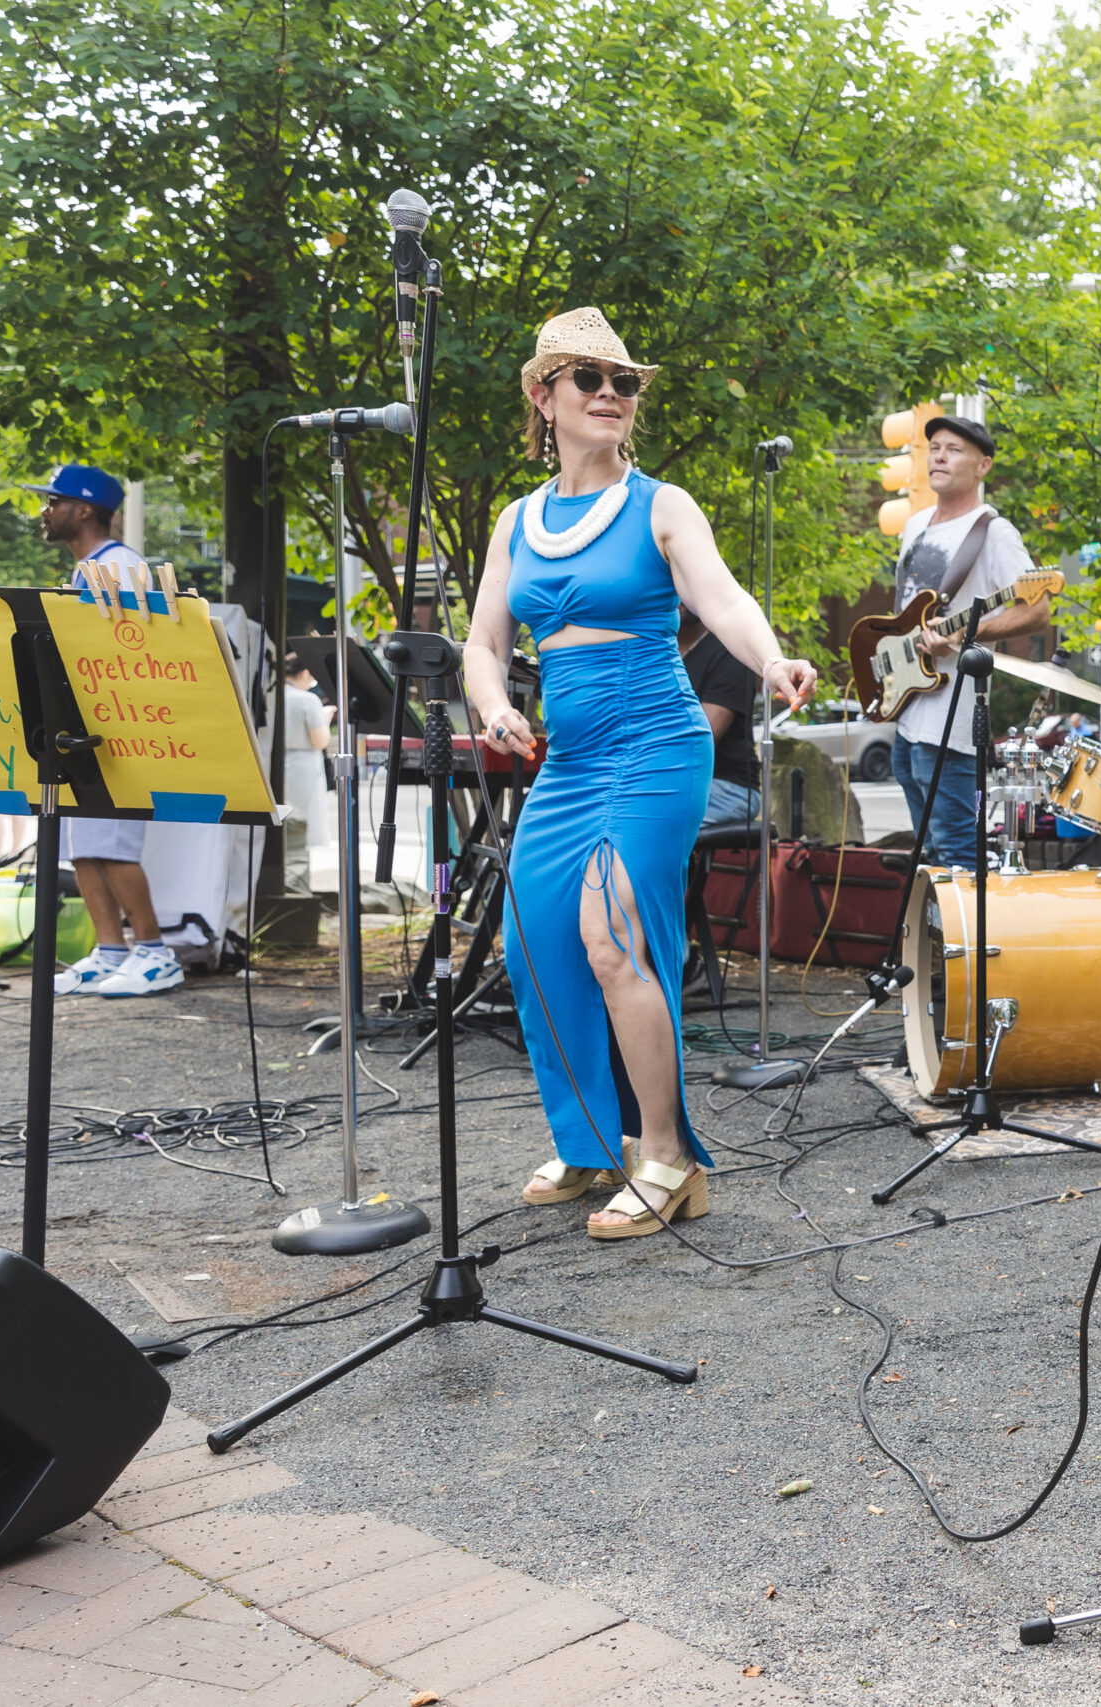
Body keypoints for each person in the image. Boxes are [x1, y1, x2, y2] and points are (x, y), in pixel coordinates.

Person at [464, 308, 818, 1240]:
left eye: (625, 382)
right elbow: (484, 640)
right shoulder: (517, 520)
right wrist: (495, 705)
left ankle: (666, 1154)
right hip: (572, 759)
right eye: (591, 379)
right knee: (535, 940)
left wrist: (772, 661)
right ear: (546, 397)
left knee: (612, 929)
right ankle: (589, 1143)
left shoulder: (662, 504)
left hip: (658, 744)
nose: (613, 394)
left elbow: (722, 595)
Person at [26, 463, 182, 998]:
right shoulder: (92, 566)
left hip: (121, 731)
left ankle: (156, 953)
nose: (45, 512)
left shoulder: (117, 566)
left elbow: (137, 652)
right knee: (87, 846)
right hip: (88, 729)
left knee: (114, 846)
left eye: (54, 502)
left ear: (84, 509)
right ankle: (110, 948)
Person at [886, 416, 1052, 862]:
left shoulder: (993, 532)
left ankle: (964, 935)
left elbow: (1037, 609)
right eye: (934, 447)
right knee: (925, 854)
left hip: (951, 716)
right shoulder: (915, 525)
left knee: (957, 849)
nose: (939, 456)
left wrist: (963, 632)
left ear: (983, 466)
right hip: (907, 705)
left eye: (954, 450)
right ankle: (930, 934)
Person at [679, 611, 764, 830]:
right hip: (669, 782)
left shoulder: (730, 651)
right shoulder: (654, 649)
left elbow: (697, 742)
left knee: (633, 811)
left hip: (728, 789)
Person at [278, 659, 334, 894]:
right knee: (302, 824)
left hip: (278, 760)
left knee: (283, 819)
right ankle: (298, 882)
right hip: (303, 763)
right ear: (305, 672)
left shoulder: (274, 694)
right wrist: (325, 717)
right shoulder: (307, 700)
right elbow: (320, 740)